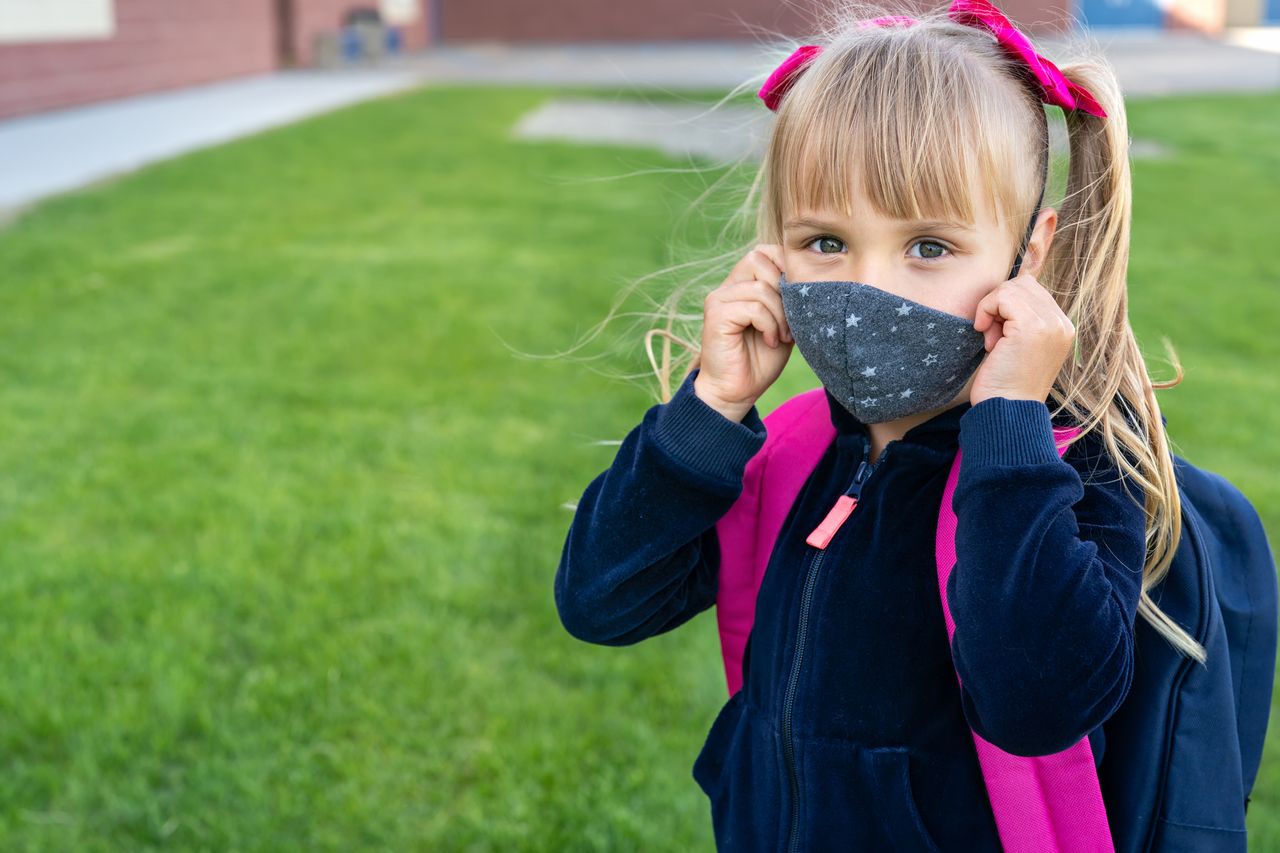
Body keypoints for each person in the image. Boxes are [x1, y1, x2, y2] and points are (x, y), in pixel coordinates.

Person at [554, 0, 1203, 848]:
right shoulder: (785, 449)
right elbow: (602, 602)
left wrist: (1008, 427)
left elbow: (1038, 705)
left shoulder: (1071, 466)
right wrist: (711, 410)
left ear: (1026, 255)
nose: (871, 290)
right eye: (825, 241)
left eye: (929, 248)